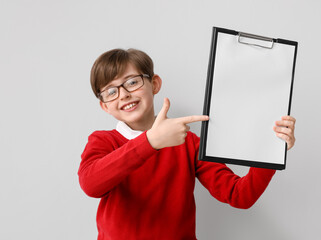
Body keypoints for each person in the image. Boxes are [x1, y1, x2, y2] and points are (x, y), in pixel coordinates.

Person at [78, 48, 296, 240]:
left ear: (154, 84)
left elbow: (239, 195)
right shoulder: (103, 140)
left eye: (132, 82)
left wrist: (271, 150)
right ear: (105, 106)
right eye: (111, 92)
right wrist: (151, 141)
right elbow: (91, 184)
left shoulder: (188, 142)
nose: (123, 95)